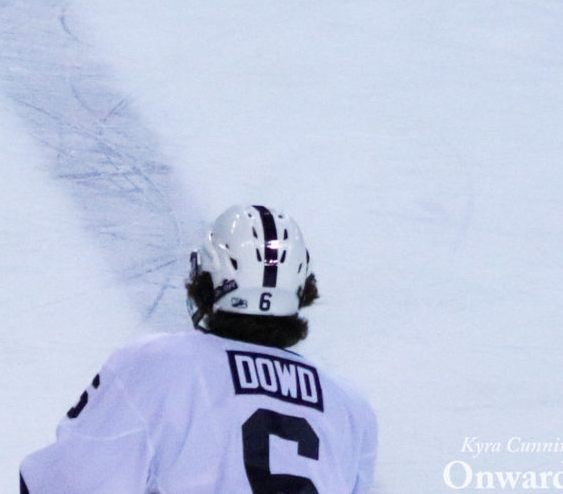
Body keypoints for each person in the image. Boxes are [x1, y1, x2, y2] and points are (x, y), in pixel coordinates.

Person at [19, 205, 377, 494]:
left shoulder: (159, 365)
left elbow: (64, 483)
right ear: (303, 290)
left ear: (206, 281)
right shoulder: (350, 406)